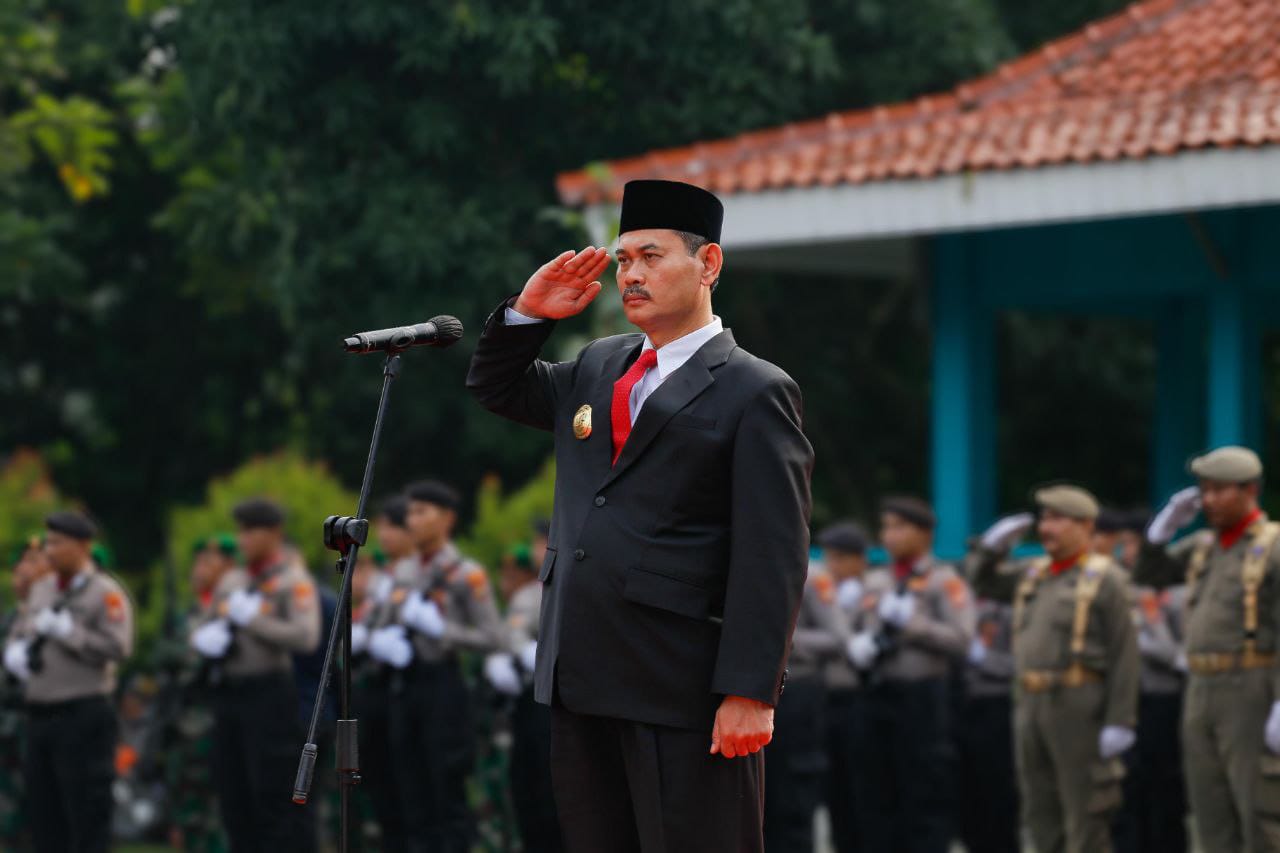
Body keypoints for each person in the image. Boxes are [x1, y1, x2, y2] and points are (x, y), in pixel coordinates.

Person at [466, 178, 814, 852]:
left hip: (680, 685)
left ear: (707, 263)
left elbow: (773, 553)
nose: (632, 275)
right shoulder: (601, 363)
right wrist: (526, 317)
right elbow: (497, 387)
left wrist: (751, 690)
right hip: (583, 675)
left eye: (652, 257)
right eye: (624, 260)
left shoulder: (754, 388)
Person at [972, 485, 1139, 853]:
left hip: (1079, 704)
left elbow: (1125, 652)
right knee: (1039, 811)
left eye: (1059, 519)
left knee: (1086, 813)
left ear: (1086, 526)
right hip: (1030, 701)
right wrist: (991, 548)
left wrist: (1120, 719)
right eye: (1045, 518)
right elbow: (982, 582)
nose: (1047, 527)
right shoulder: (1034, 573)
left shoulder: (1105, 577)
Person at [1134, 446, 1280, 853]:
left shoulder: (1273, 546)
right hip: (1201, 686)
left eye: (1220, 490)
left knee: (1260, 811)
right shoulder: (1203, 545)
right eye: (1205, 490)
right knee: (1209, 809)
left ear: (1250, 490)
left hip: (1250, 685)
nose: (1209, 501)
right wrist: (1159, 534)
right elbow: (1149, 575)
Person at [367, 479, 503, 853]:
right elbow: (379, 620)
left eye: (422, 511)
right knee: (409, 794)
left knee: (446, 794)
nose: (412, 519)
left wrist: (443, 631)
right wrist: (379, 637)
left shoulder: (465, 572)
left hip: (442, 688)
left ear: (446, 520)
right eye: (409, 511)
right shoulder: (402, 572)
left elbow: (493, 637)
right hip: (402, 688)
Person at [188, 498, 321, 853]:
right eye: (241, 530)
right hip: (229, 694)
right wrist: (203, 637)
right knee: (234, 795)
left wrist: (256, 621)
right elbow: (205, 621)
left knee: (272, 792)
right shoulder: (233, 579)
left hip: (269, 694)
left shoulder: (292, 580)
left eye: (251, 531)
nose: (243, 539)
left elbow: (305, 636)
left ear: (274, 534)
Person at [843, 497, 973, 852]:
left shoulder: (943, 580)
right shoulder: (874, 579)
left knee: (925, 793)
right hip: (875, 694)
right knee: (874, 793)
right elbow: (851, 630)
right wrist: (856, 644)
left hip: (923, 699)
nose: (889, 535)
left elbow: (962, 639)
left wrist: (913, 625)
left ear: (925, 534)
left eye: (900, 527)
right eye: (886, 527)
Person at [3, 511, 134, 853]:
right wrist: (15, 651)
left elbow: (119, 647)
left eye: (58, 543)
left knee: (86, 813)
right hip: (40, 715)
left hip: (82, 712)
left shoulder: (104, 593)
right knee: (45, 816)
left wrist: (70, 633)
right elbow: (26, 630)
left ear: (83, 546)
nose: (50, 550)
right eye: (49, 542)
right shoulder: (42, 589)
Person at [1102, 510, 1188, 853]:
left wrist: (1140, 636)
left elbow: (1180, 653)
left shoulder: (1174, 591)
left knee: (1165, 795)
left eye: (1131, 543)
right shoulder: (1118, 585)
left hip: (1163, 699)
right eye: (1121, 544)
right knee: (1125, 795)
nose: (1125, 552)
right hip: (1127, 701)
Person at [765, 543, 848, 852]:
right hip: (752, 693)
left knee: (794, 799)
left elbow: (838, 638)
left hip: (798, 696)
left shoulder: (811, 576)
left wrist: (779, 637)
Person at [486, 534, 564, 852]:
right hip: (530, 698)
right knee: (528, 789)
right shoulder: (532, 593)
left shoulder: (555, 588)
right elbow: (512, 635)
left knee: (552, 793)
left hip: (559, 699)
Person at [350, 495, 413, 852]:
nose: (384, 535)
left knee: (407, 789)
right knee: (382, 789)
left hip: (402, 690)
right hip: (374, 690)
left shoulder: (414, 575)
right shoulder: (385, 578)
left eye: (391, 527)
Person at [813, 521, 867, 853]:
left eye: (841, 558)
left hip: (862, 698)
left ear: (859, 560)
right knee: (832, 787)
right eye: (830, 557)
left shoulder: (875, 589)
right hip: (824, 697)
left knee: (863, 786)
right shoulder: (822, 588)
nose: (833, 566)